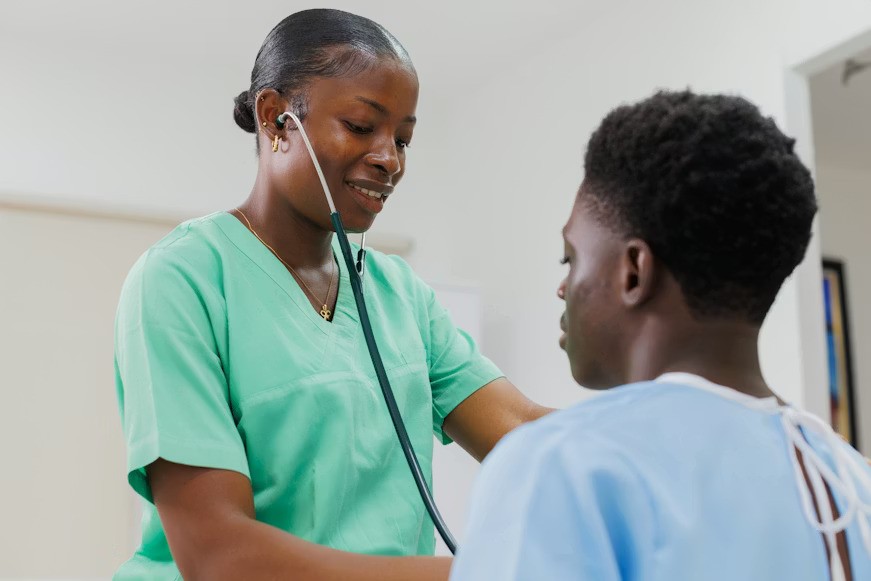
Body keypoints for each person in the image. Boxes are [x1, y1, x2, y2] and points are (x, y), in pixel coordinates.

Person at [113, 9, 550, 580]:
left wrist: (657, 423)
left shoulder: (401, 296)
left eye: (403, 139)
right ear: (275, 118)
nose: (390, 159)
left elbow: (526, 433)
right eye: (361, 126)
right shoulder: (183, 279)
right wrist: (485, 573)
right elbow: (219, 556)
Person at [450, 90, 871, 581]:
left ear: (634, 271)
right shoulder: (848, 479)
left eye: (571, 258)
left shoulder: (559, 462)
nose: (563, 287)